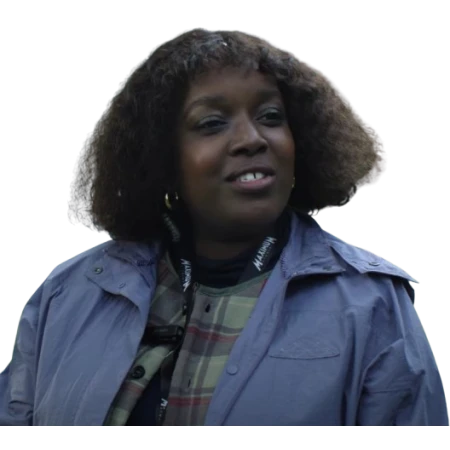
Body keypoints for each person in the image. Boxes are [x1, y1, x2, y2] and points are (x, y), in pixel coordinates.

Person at [1, 28, 448, 428]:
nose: (252, 138)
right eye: (212, 123)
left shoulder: (373, 304)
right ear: (163, 160)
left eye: (271, 116)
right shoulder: (68, 295)